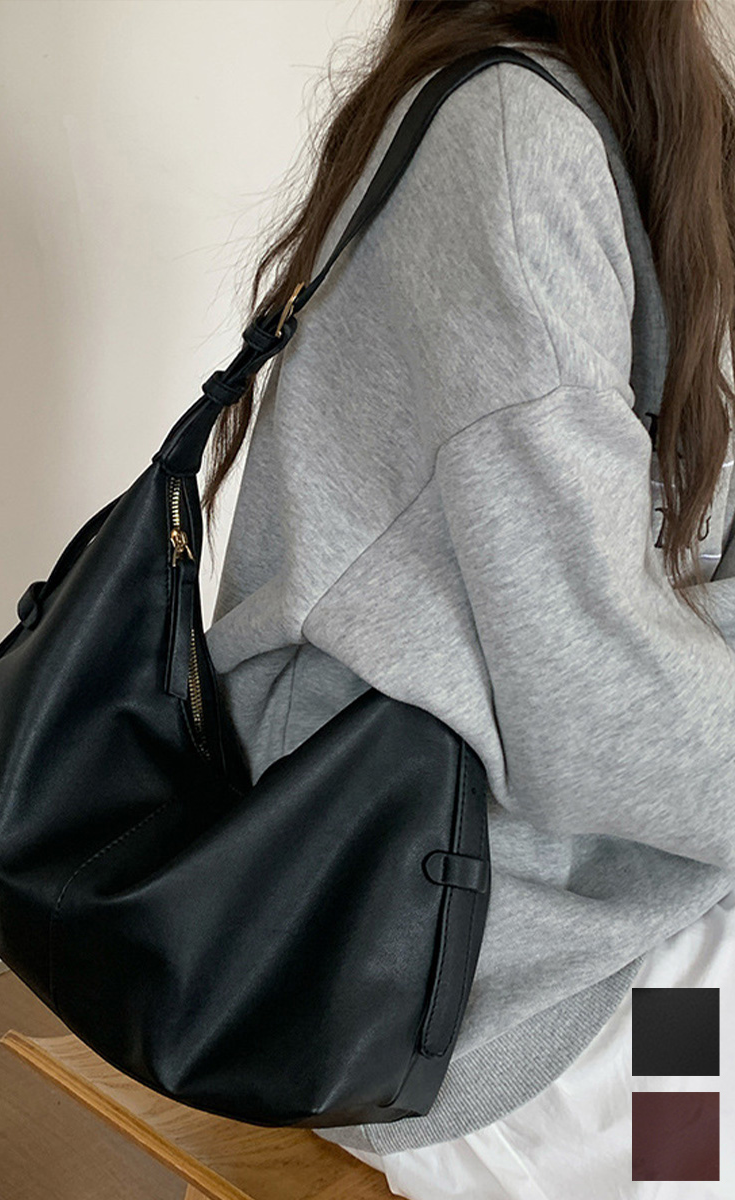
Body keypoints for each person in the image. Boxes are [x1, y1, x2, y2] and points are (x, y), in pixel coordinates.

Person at [201, 2, 735, 1196]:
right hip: (442, 987)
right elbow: (590, 700)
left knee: (698, 1102)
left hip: (602, 900)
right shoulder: (510, 145)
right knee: (693, 1145)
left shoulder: (651, 130)